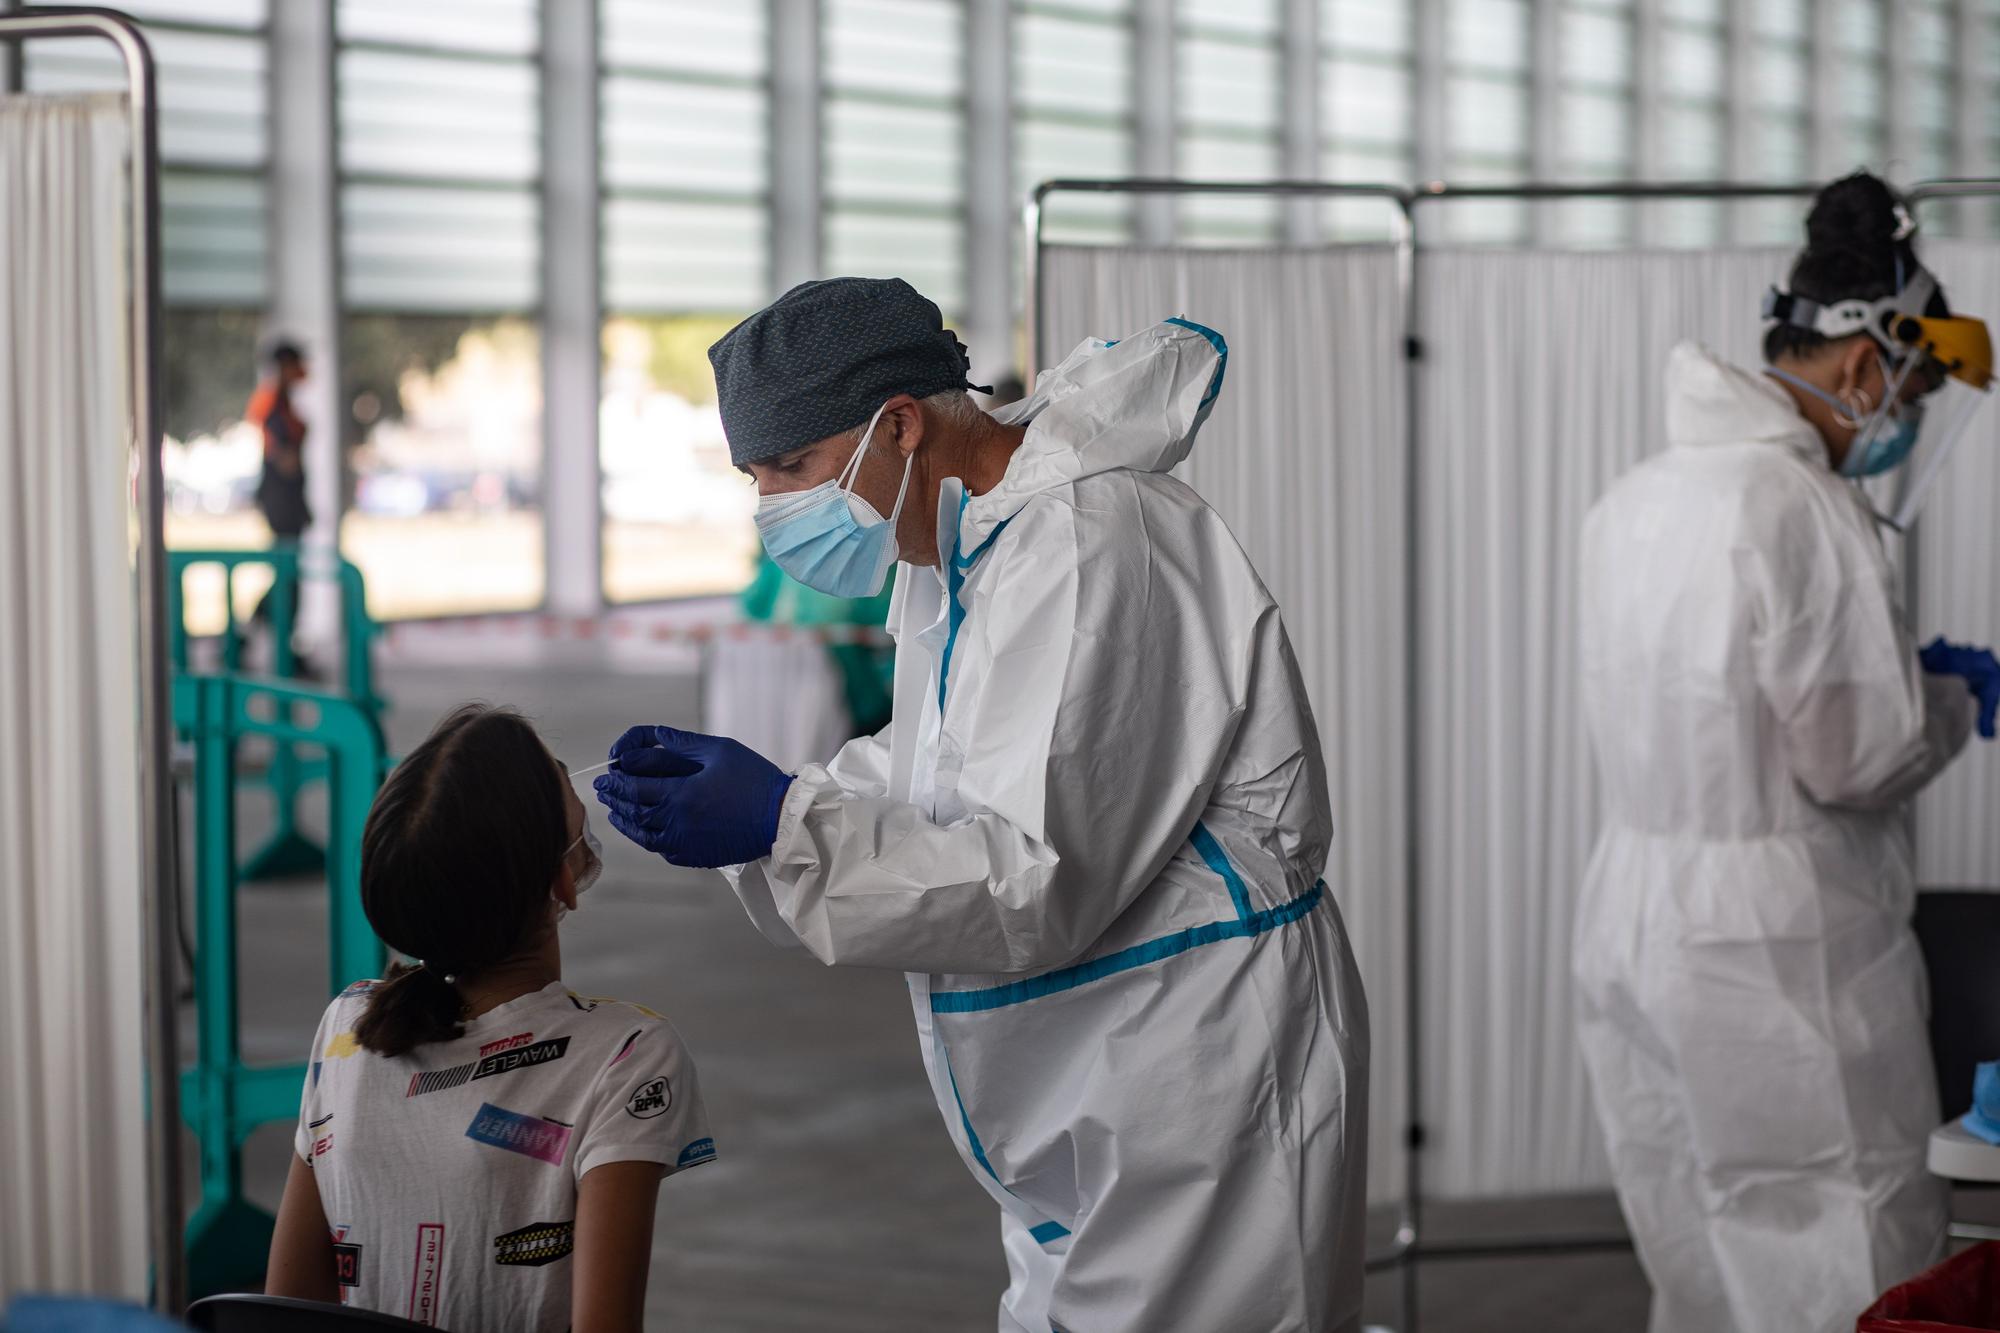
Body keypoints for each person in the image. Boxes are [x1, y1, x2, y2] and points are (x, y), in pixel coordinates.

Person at [596, 277, 1369, 1332]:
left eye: (790, 468)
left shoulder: (1091, 540)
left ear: (899, 424)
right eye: (754, 476)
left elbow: (1029, 870)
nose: (773, 506)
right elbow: (941, 768)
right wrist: (782, 798)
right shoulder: (959, 537)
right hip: (1093, 1080)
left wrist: (782, 826)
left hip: (1196, 1074)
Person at [1575, 172, 1998, 1333]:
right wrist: (1948, 701)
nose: (1905, 416)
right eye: (1910, 386)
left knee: (1695, 1230)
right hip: (1774, 948)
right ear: (1865, 368)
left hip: (1630, 917)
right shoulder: (1803, 509)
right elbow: (1854, 759)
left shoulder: (1634, 498)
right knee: (1835, 1230)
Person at [267, 704, 715, 1333]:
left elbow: (288, 1305)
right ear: (563, 880)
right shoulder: (626, 1056)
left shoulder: (347, 1026)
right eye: (560, 780)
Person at [247, 339, 312, 546]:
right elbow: (284, 456)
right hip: (281, 495)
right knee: (285, 560)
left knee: (290, 559)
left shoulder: (283, 401)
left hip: (288, 495)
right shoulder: (272, 402)